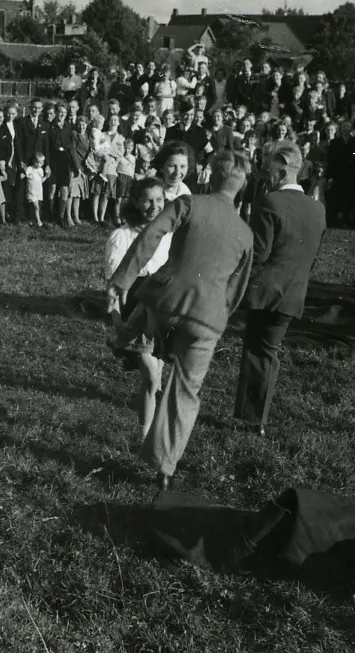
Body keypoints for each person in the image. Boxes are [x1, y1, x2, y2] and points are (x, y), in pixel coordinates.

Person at [108, 149, 253, 491]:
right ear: (242, 186)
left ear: (209, 176)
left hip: (165, 302)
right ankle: (165, 468)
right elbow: (236, 290)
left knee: (144, 312)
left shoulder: (188, 204)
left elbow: (150, 235)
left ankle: (125, 337)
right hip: (207, 319)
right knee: (185, 392)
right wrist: (215, 320)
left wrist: (122, 279)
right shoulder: (246, 234)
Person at [234, 140, 326, 436]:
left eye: (268, 169)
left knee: (256, 352)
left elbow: (259, 253)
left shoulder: (271, 202)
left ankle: (251, 420)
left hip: (265, 291)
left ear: (285, 170)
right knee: (268, 352)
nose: (264, 174)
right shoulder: (318, 209)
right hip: (294, 292)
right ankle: (254, 418)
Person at [106, 177, 170, 439]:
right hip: (136, 313)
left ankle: (150, 425)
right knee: (152, 377)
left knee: (158, 374)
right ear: (135, 201)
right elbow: (113, 287)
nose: (154, 206)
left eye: (159, 200)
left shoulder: (169, 233)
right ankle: (144, 437)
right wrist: (117, 321)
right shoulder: (122, 236)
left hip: (164, 312)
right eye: (147, 200)